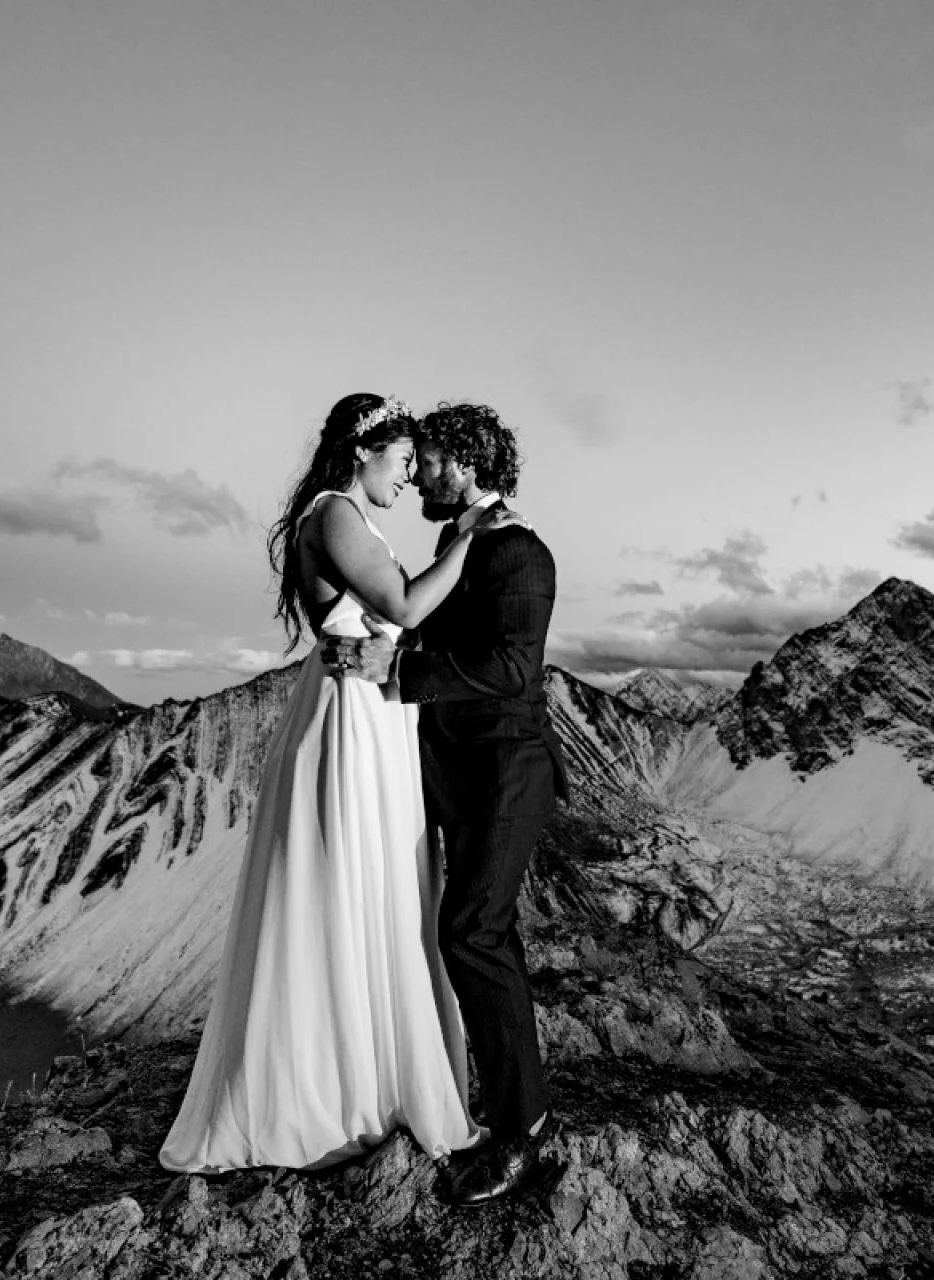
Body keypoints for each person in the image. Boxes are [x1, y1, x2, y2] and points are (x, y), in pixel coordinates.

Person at [158, 392, 523, 1174]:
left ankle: (370, 1081)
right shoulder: (335, 516)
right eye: (399, 461)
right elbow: (403, 604)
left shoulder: (352, 519)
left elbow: (396, 617)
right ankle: (325, 1093)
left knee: (380, 891)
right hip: (350, 725)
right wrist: (468, 535)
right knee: (346, 890)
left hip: (376, 718)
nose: (408, 476)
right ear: (362, 453)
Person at [323, 402, 566, 1207]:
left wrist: (400, 671)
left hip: (505, 775)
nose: (417, 474)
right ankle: (517, 1109)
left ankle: (521, 1134)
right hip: (459, 773)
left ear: (462, 463)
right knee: (485, 934)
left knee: (470, 933)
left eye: (426, 460)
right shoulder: (464, 544)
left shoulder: (522, 552)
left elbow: (512, 671)